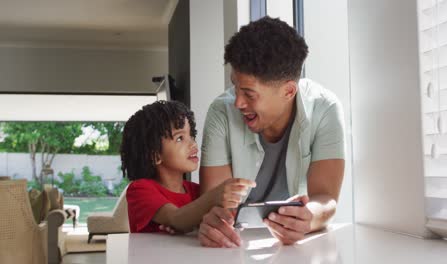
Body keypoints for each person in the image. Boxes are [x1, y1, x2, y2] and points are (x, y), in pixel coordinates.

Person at [198, 16, 346, 247]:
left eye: (249, 93)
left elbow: (325, 198)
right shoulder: (220, 112)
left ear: (288, 91)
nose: (237, 102)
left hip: (292, 250)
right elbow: (215, 200)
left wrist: (309, 218)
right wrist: (215, 222)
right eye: (235, 86)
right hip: (237, 245)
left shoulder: (325, 108)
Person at [121, 100, 255, 237]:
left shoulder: (196, 191)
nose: (193, 144)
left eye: (191, 135)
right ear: (155, 156)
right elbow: (176, 218)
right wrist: (213, 196)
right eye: (180, 138)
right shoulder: (140, 189)